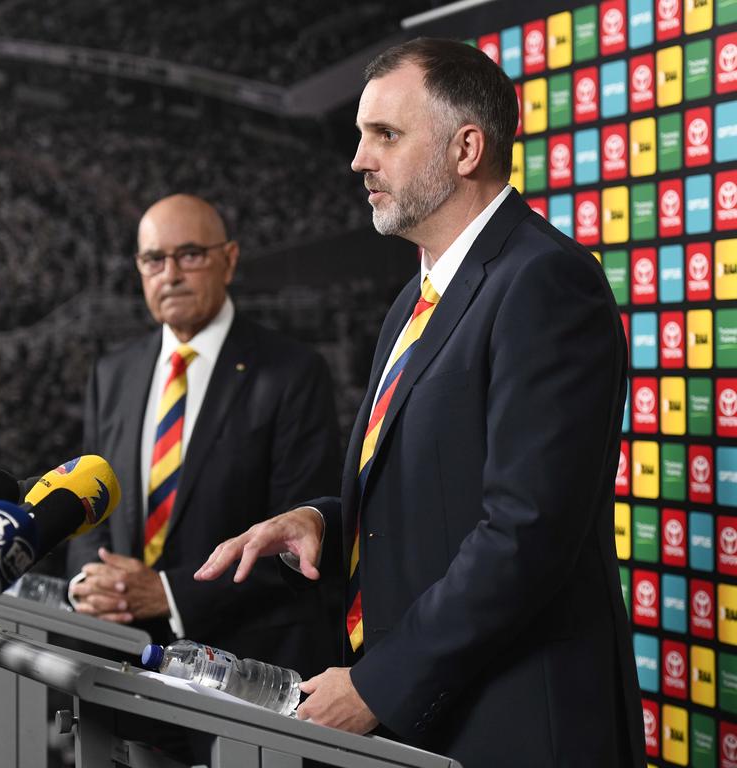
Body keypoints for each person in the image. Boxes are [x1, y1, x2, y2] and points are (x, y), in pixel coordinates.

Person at [195, 38, 644, 767]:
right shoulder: (415, 296)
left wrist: (376, 686)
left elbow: (525, 535)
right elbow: (437, 495)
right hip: (437, 729)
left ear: (467, 147)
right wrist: (319, 520)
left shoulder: (545, 282)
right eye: (361, 136)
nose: (358, 160)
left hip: (522, 730)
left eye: (386, 136)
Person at [66, 193, 341, 678]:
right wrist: (91, 581)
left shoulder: (293, 373)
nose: (170, 274)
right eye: (154, 260)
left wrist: (170, 593)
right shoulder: (112, 374)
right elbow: (87, 509)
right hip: (124, 663)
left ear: (229, 260)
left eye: (189, 255)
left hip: (240, 673)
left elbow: (296, 542)